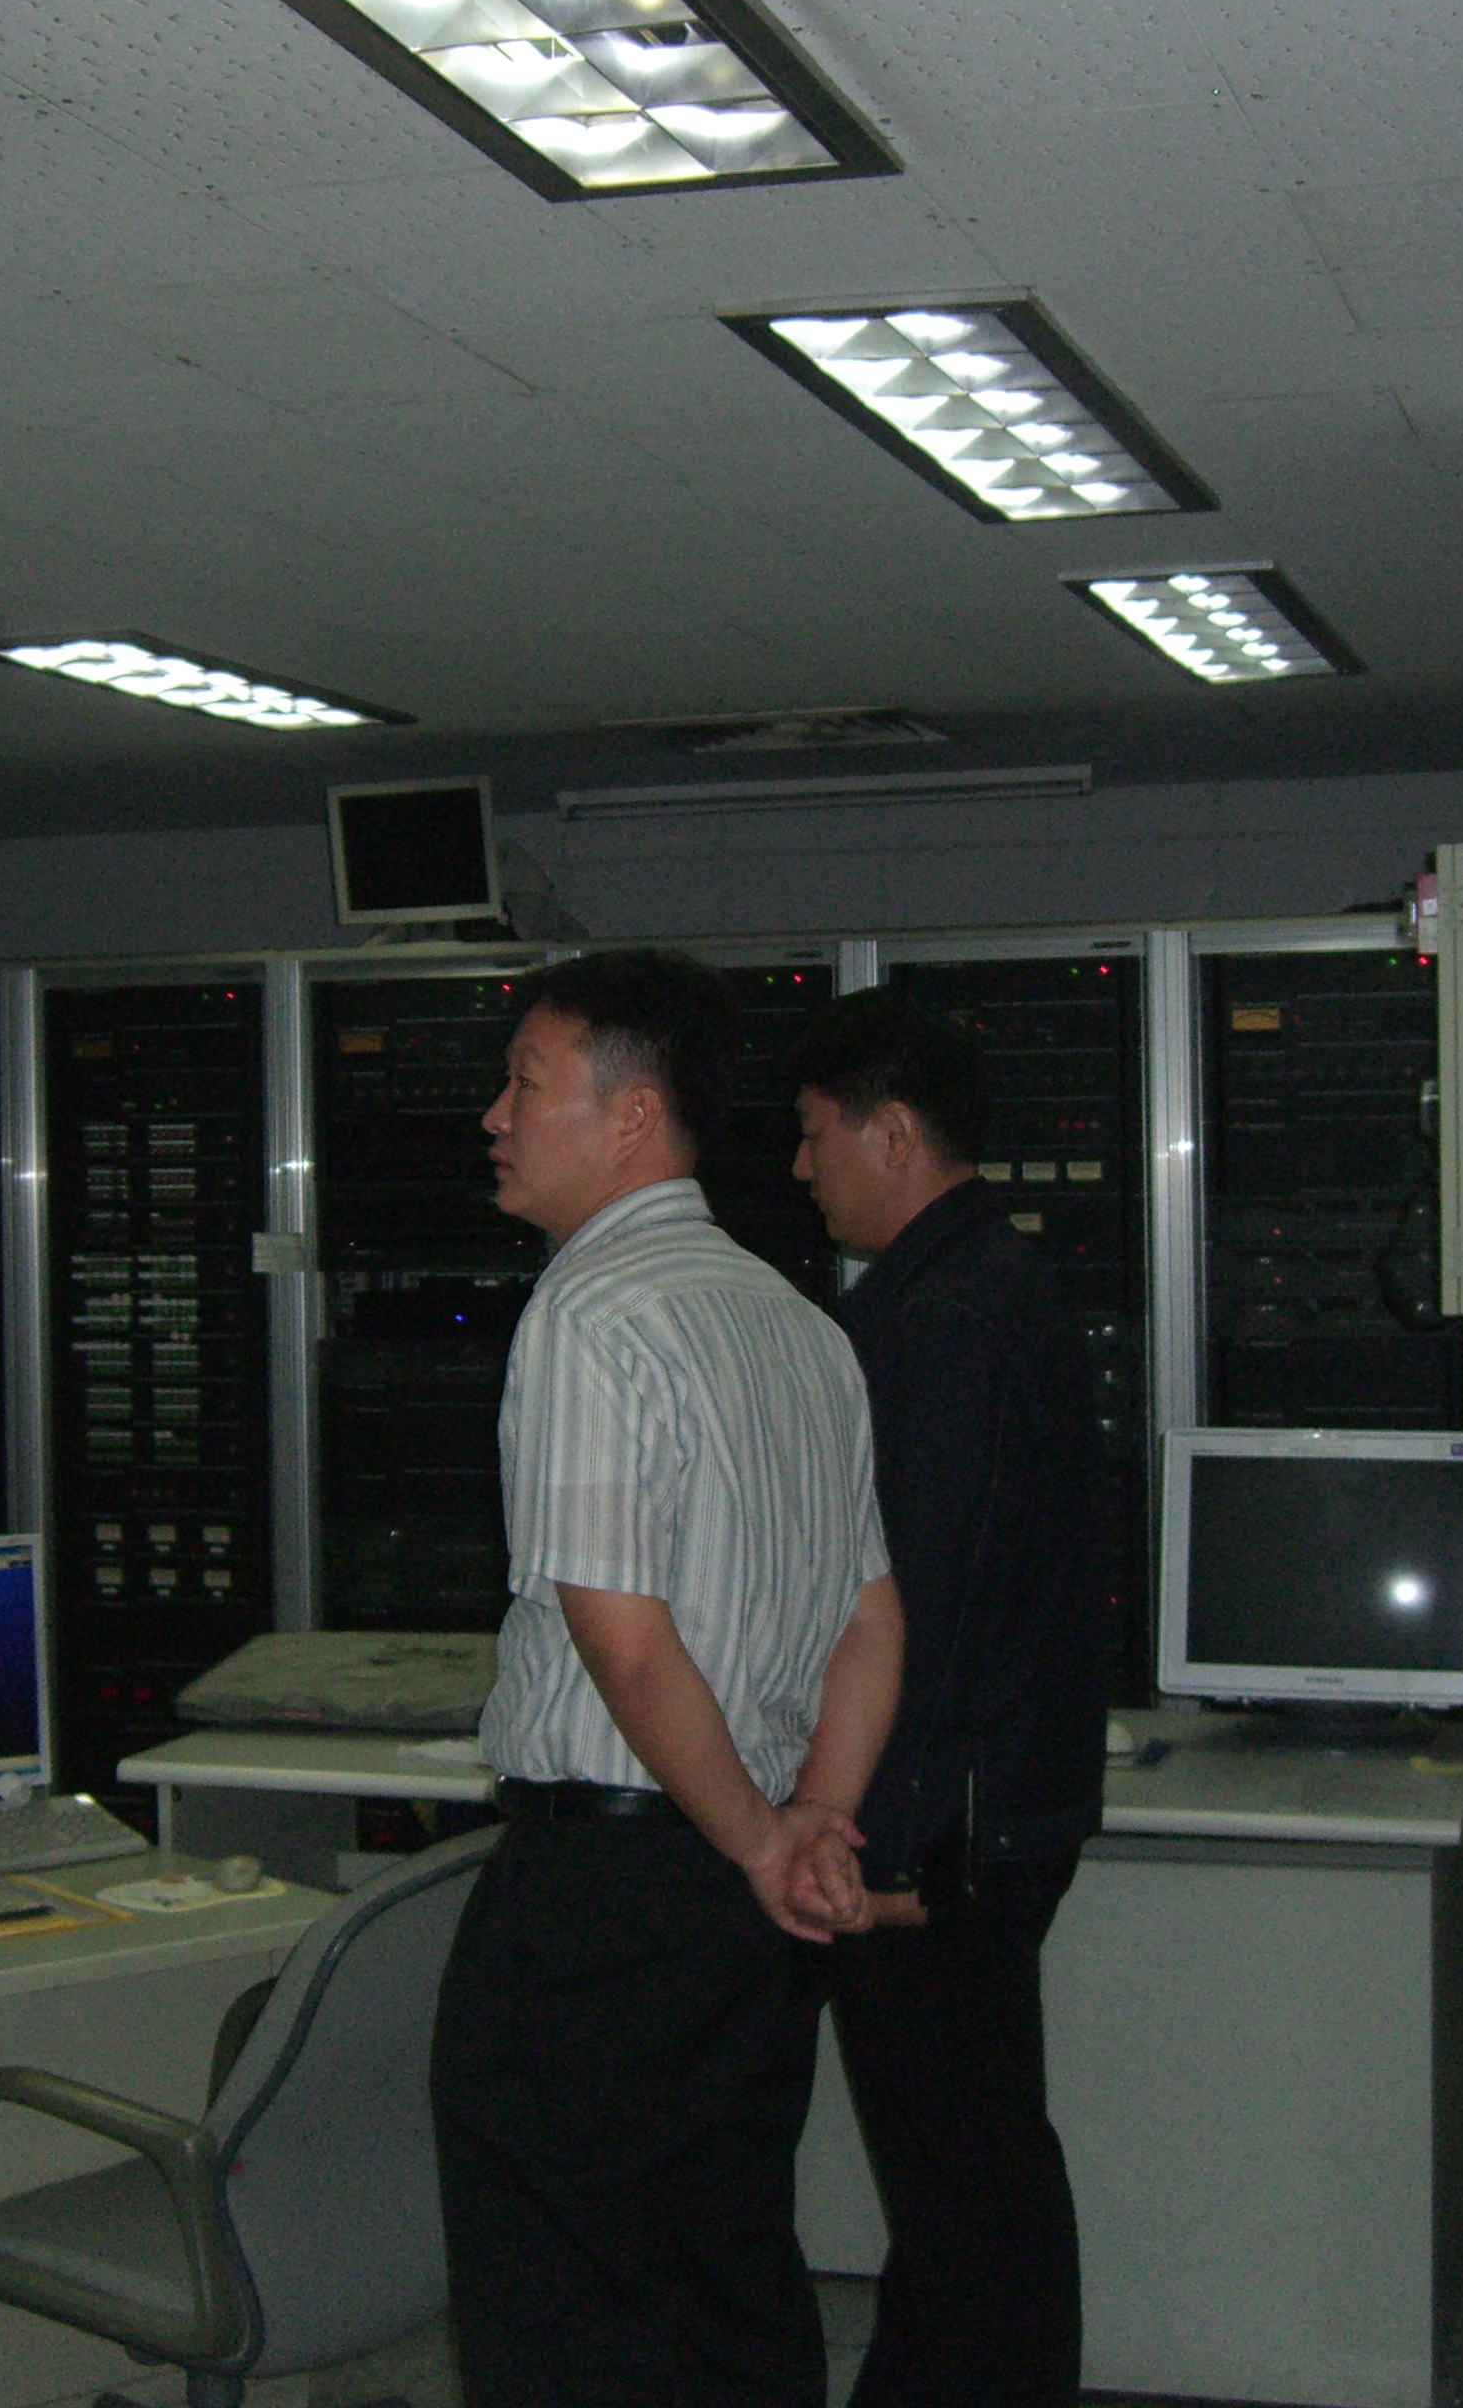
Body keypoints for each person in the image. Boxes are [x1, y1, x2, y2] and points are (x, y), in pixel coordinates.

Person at [433, 948, 906, 2408]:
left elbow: (625, 1642)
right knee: (726, 2288)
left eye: (526, 1084)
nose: (495, 1117)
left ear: (633, 1116)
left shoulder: (590, 1313)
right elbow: (872, 1620)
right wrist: (806, 1829)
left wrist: (769, 1838)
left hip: (609, 1904)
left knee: (569, 2320)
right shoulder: (800, 1325)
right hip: (743, 1913)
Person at [784, 986, 1111, 2408]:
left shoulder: (952, 1317)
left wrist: (891, 1844)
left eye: (817, 1135)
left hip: (942, 1836)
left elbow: (934, 1600)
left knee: (972, 2197)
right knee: (960, 2189)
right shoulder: (967, 1286)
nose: (802, 1167)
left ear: (894, 1135)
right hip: (971, 1811)